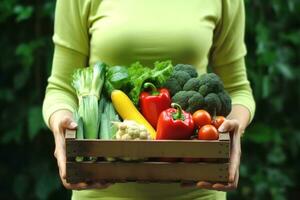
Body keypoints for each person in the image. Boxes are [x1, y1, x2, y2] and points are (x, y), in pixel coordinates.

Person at [42, 0, 255, 199]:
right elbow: (61, 88)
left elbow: (237, 89)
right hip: (101, 190)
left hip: (198, 191)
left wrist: (234, 127)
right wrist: (61, 120)